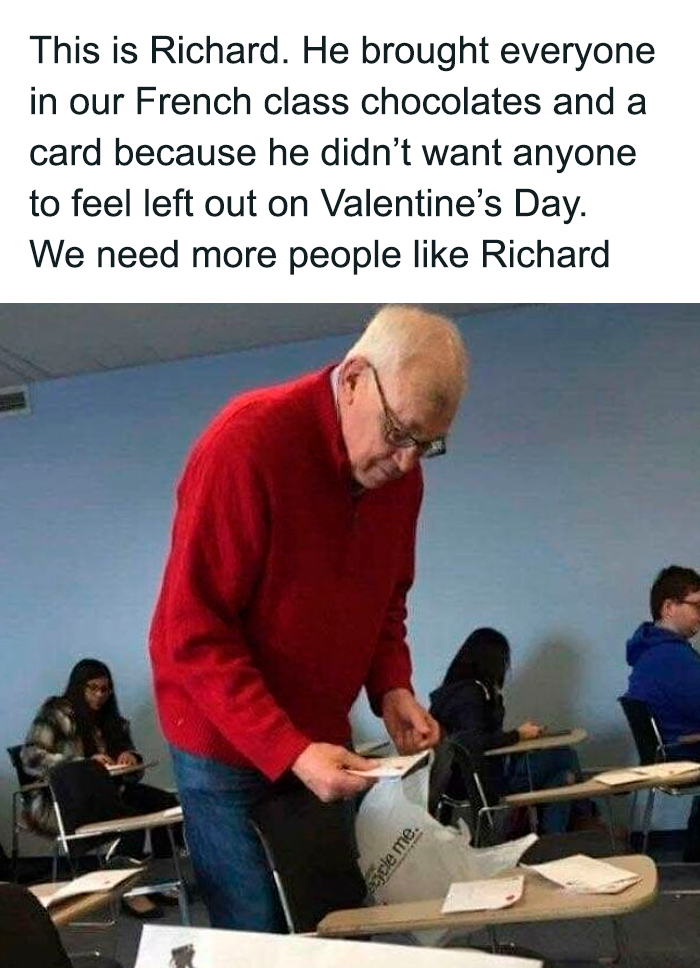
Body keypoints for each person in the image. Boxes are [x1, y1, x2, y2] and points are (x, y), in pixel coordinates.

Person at [149, 304, 469, 931]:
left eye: (430, 445)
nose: (408, 464)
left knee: (335, 921)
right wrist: (288, 749)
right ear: (353, 381)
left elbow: (385, 598)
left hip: (320, 737)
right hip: (226, 746)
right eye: (401, 434)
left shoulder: (398, 479)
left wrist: (392, 687)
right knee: (262, 935)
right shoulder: (245, 443)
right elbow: (191, 632)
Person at [21, 658, 179, 917]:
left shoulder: (112, 720)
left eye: (105, 689)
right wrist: (82, 763)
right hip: (65, 799)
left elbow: (131, 775)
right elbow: (30, 756)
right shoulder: (57, 712)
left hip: (106, 792)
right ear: (78, 687)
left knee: (166, 804)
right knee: (130, 819)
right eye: (92, 688)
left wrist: (130, 758)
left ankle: (154, 880)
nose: (99, 695)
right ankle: (128, 893)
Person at [430, 627, 584, 834]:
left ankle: (545, 840)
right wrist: (518, 735)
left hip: (468, 777)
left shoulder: (454, 691)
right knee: (566, 756)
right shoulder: (471, 694)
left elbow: (475, 736)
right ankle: (585, 815)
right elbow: (472, 740)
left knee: (562, 778)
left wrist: (520, 736)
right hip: (483, 781)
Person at [625, 565, 700, 858]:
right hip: (684, 751)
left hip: (676, 748)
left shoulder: (651, 651)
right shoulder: (670, 657)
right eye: (697, 606)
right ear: (669, 607)